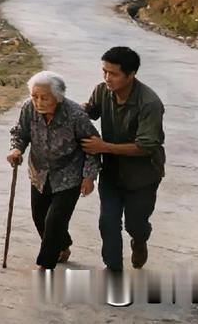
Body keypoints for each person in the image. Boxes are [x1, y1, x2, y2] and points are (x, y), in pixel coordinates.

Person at [81, 46, 166, 271]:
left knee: (135, 224)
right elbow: (90, 111)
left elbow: (146, 147)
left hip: (143, 175)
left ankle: (140, 241)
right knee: (107, 222)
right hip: (110, 171)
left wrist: (103, 147)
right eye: (104, 72)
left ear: (131, 74)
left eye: (114, 74)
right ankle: (113, 269)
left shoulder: (149, 104)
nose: (107, 78)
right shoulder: (102, 91)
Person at [7, 71, 100, 270]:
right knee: (39, 217)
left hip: (69, 175)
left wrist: (89, 177)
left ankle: (46, 264)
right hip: (39, 173)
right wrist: (16, 148)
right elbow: (20, 133)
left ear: (58, 97)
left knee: (55, 220)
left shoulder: (76, 115)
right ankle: (62, 247)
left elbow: (94, 147)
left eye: (44, 97)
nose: (38, 102)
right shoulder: (28, 108)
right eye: (34, 96)